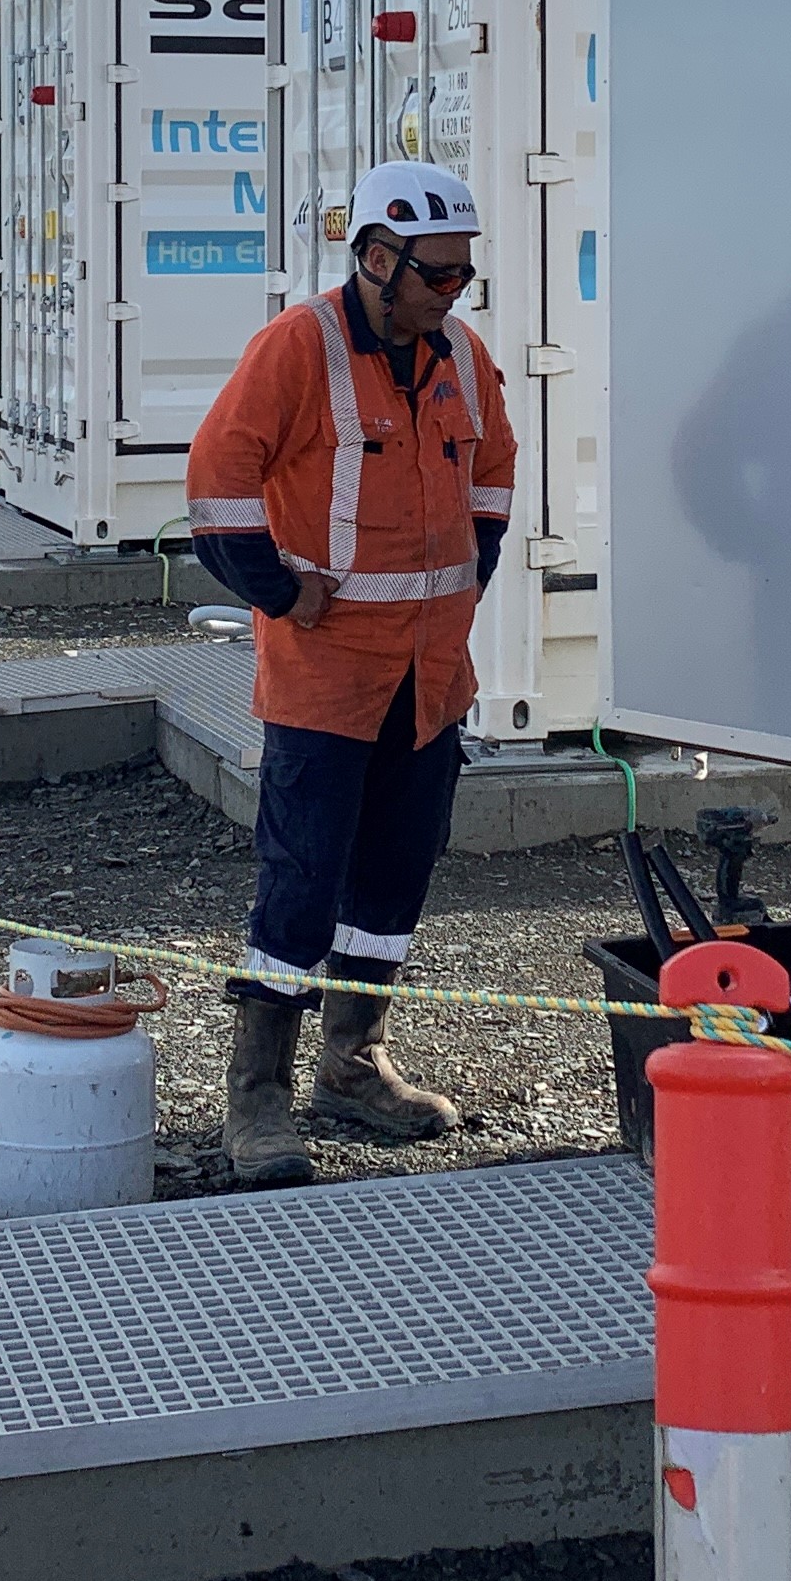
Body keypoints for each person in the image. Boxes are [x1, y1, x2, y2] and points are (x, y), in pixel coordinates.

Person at [185, 160, 515, 1188]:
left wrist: (468, 581)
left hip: (429, 682)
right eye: (438, 276)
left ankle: (353, 1059)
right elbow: (216, 482)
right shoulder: (299, 348)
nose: (453, 294)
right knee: (301, 883)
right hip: (328, 679)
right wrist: (278, 592)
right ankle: (259, 1095)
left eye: (465, 276)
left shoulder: (461, 353)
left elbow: (494, 472)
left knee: (392, 883)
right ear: (378, 259)